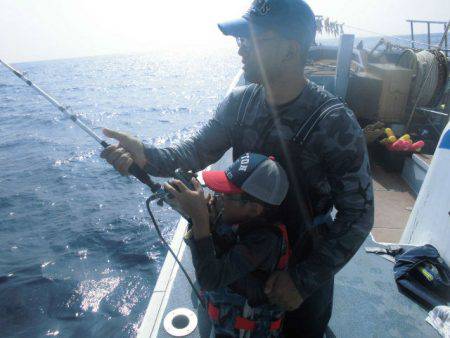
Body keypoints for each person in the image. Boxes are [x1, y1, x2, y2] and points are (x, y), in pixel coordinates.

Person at [100, 0, 374, 336]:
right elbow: (194, 151)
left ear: (290, 51)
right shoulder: (240, 102)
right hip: (238, 258)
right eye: (240, 40)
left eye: (253, 40)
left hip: (298, 272)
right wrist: (145, 156)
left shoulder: (335, 123)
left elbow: (358, 214)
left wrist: (303, 280)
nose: (241, 50)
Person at [165, 152, 291, 337]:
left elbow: (211, 279)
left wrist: (200, 220)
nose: (218, 196)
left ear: (254, 209)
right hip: (222, 315)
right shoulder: (235, 218)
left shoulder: (264, 241)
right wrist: (203, 217)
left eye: (226, 194)